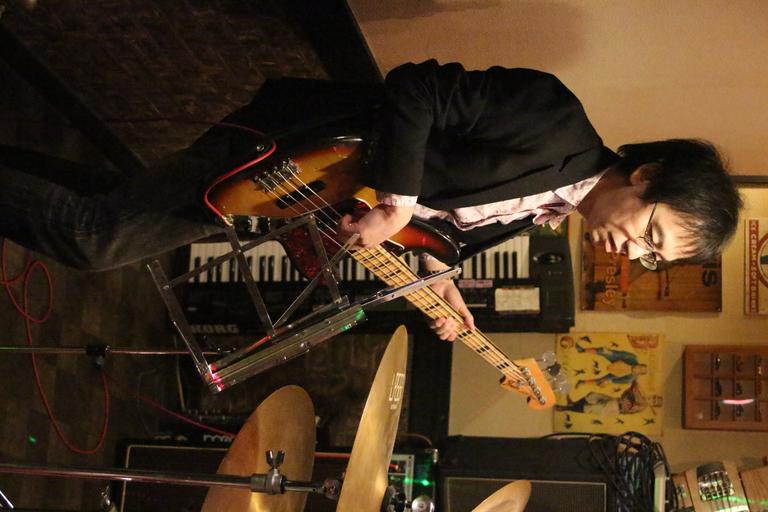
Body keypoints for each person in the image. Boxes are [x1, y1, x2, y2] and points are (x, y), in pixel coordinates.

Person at [0, 60, 742, 340]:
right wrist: (397, 201)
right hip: (291, 149)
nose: (633, 255)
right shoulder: (552, 116)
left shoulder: (547, 215)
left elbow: (445, 230)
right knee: (96, 241)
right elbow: (414, 88)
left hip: (303, 196)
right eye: (651, 235)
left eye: (652, 260)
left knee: (106, 203)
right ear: (646, 176)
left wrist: (442, 281)